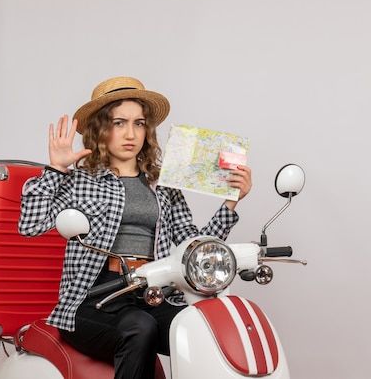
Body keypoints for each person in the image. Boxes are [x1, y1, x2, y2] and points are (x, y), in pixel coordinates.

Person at [18, 76, 252, 379]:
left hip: (151, 292)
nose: (130, 133)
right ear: (101, 128)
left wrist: (231, 203)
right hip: (93, 300)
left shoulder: (162, 186)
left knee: (202, 326)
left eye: (139, 123)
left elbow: (191, 246)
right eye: (119, 123)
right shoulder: (80, 181)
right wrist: (56, 169)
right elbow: (30, 224)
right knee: (140, 327)